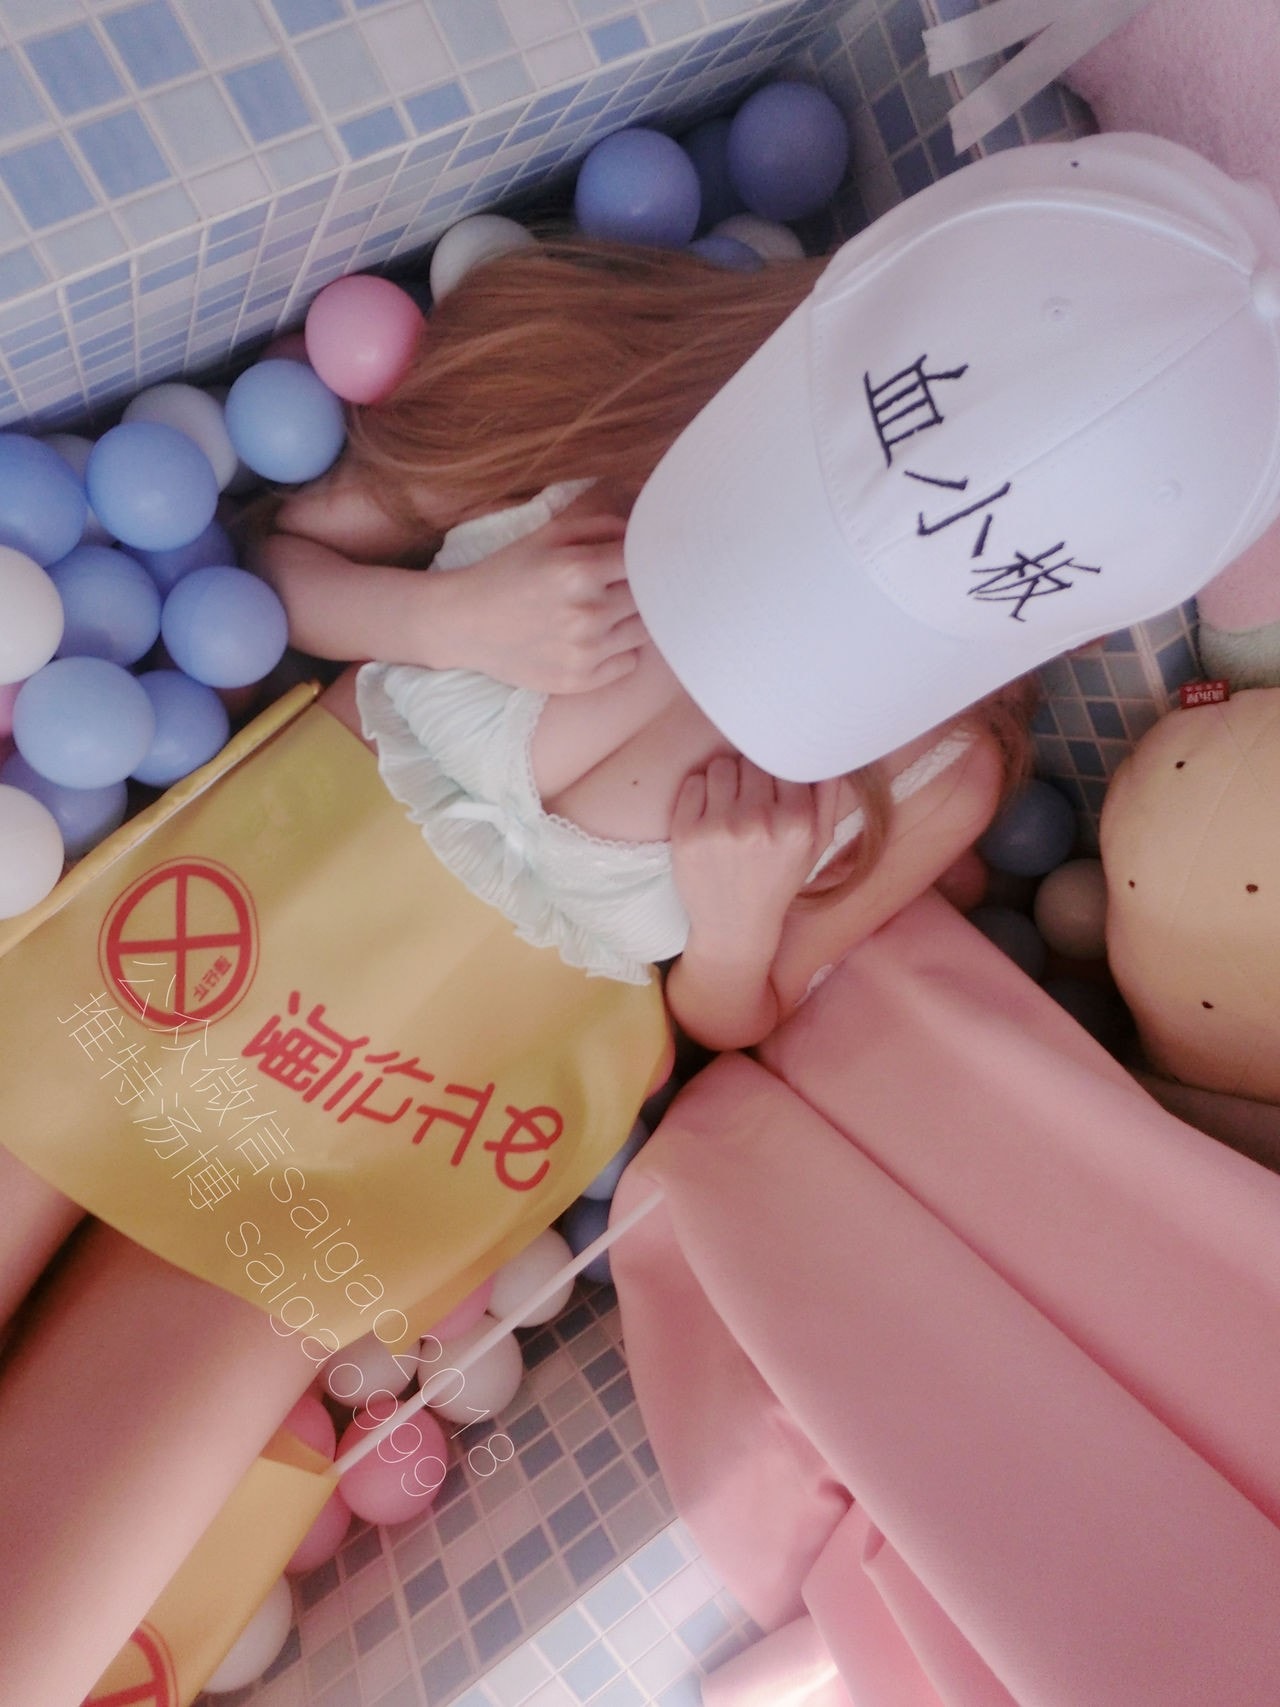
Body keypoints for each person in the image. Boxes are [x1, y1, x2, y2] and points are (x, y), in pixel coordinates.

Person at [2, 127, 1279, 1706]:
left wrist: (734, 927)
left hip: (383, 1137)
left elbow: (732, 1021)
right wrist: (446, 615)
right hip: (175, 967)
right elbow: (282, 560)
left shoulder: (938, 770)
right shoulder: (596, 384)